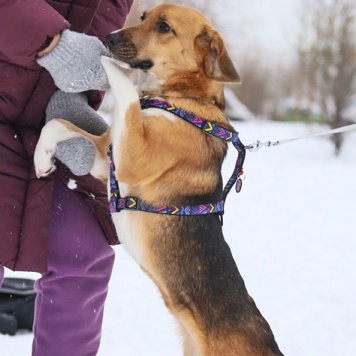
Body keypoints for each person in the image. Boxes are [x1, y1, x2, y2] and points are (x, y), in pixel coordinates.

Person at [0, 0, 133, 354]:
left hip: (43, 130)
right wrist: (50, 43)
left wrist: (73, 103)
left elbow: (93, 45)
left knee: (82, 253)